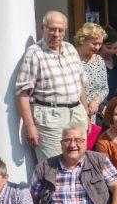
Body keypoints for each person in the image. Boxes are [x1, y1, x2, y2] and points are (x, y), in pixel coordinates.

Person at [16, 11, 88, 162]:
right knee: (54, 166)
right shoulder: (34, 53)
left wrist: (86, 113)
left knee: (78, 162)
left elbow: (80, 86)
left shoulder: (70, 49)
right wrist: (29, 126)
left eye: (60, 30)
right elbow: (23, 93)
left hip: (76, 114)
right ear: (43, 28)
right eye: (52, 29)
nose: (56, 34)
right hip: (50, 118)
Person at [74, 23, 109, 126]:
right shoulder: (72, 59)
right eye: (94, 43)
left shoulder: (99, 60)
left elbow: (104, 88)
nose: (97, 47)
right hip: (77, 113)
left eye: (100, 44)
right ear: (83, 40)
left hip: (96, 113)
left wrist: (96, 102)